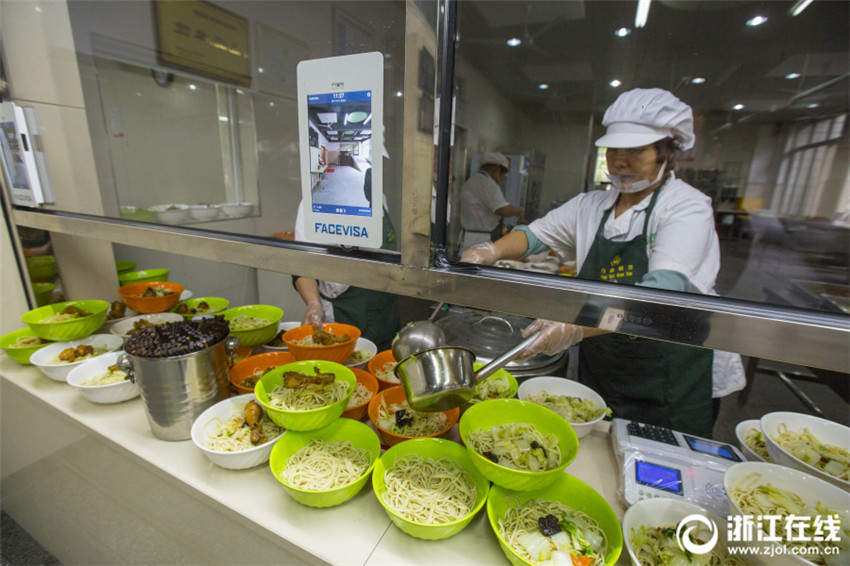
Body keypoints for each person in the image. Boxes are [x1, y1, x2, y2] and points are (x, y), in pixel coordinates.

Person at [461, 88, 745, 438]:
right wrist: (489, 251)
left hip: (668, 375)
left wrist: (576, 327)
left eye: (636, 151)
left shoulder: (686, 207)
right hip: (607, 362)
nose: (620, 161)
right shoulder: (592, 205)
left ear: (667, 153)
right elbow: (536, 235)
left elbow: (660, 294)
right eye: (614, 150)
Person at [292, 144, 400, 352]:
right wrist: (314, 303)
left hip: (384, 310)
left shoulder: (378, 196)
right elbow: (302, 265)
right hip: (348, 313)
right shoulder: (314, 202)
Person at [458, 151, 524, 251]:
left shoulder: (474, 180)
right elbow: (503, 210)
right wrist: (520, 211)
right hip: (479, 239)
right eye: (502, 174)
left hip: (470, 236)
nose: (501, 179)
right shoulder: (487, 184)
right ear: (496, 169)